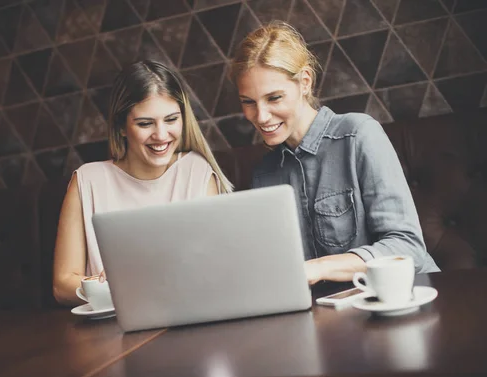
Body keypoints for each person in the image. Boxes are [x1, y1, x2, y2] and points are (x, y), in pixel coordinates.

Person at [230, 21, 439, 285]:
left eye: (274, 98)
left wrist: (318, 268)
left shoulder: (358, 134)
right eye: (248, 102)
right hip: (334, 316)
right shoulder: (264, 174)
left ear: (305, 82)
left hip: (411, 300)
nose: (260, 116)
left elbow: (408, 249)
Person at [53, 60, 233, 306]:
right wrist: (115, 285)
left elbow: (216, 270)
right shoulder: (87, 180)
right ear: (122, 127)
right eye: (145, 123)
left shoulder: (197, 171)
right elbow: (62, 285)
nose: (161, 135)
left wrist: (135, 283)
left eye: (171, 119)